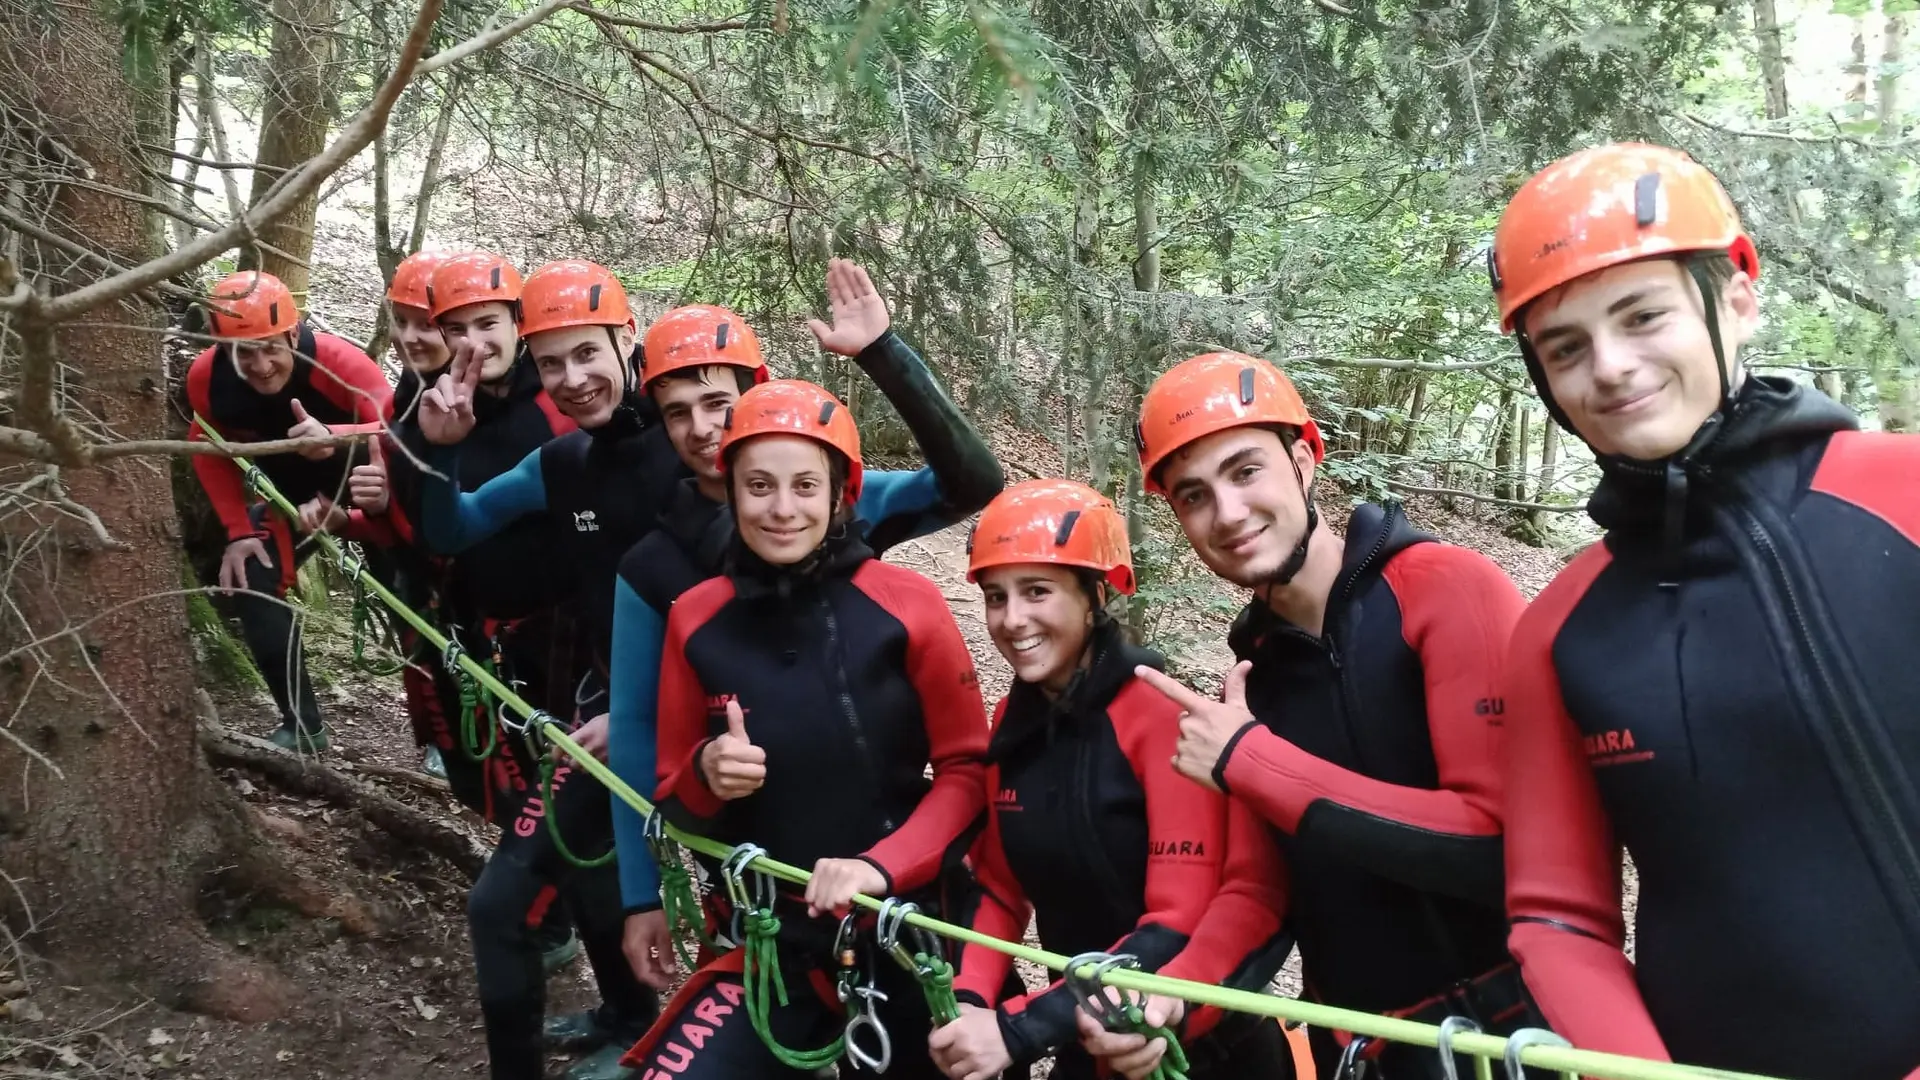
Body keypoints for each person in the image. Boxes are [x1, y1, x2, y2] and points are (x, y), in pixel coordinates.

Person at [1491, 143, 1920, 1080]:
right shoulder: (1560, 630)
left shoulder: (1907, 494)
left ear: (1736, 298)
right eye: (1565, 348)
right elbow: (1559, 918)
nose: (1610, 368)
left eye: (1642, 316)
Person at [1112, 351, 1532, 1079]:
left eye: (1245, 471)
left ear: (1304, 458)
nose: (1228, 514)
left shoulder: (1446, 591)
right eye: (1194, 496)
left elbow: (1500, 849)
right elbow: (1260, 893)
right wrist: (1176, 998)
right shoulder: (1256, 680)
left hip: (1512, 1044)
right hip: (1358, 1055)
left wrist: (1255, 762)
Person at [605, 259, 1004, 989]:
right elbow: (639, 739)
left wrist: (885, 352)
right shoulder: (660, 572)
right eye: (675, 412)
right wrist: (647, 889)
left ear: (834, 495)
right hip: (759, 894)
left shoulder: (866, 540)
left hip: (889, 885)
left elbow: (973, 482)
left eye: (718, 404)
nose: (699, 428)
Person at [621, 379, 989, 1080]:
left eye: (804, 486)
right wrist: (706, 774)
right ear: (730, 490)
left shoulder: (906, 606)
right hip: (769, 937)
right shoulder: (697, 619)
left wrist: (880, 867)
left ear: (839, 494)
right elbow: (672, 798)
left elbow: (968, 773)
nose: (782, 509)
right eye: (759, 485)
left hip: (909, 933)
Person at [927, 479, 1296, 1080]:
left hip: (1195, 1045)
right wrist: (968, 1003)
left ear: (1094, 596)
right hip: (1085, 1031)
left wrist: (1018, 1029)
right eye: (996, 597)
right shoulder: (1013, 721)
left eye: (1037, 592)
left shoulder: (1163, 717)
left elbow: (1175, 924)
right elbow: (999, 888)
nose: (1011, 620)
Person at [385, 252, 653, 1080]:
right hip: (542, 669)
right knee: (568, 854)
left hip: (609, 677)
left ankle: (643, 1015)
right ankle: (622, 1008)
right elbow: (443, 529)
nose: (468, 344)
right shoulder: (454, 414)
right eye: (451, 328)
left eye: (486, 327)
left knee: (612, 855)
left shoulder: (579, 427)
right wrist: (431, 449)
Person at [187, 269, 392, 750]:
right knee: (252, 580)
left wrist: (336, 439)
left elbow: (394, 426)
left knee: (411, 590)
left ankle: (443, 738)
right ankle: (302, 726)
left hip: (372, 489)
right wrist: (238, 532)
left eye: (271, 348)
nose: (260, 366)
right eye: (244, 352)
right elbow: (208, 447)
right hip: (290, 501)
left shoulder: (339, 362)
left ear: (293, 334)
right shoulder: (208, 379)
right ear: (222, 348)